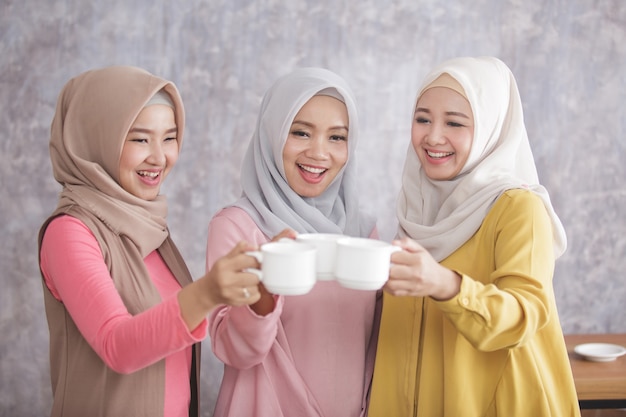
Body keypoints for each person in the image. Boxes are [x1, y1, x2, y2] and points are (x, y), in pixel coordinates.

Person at [38, 66, 262, 417]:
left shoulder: (149, 228)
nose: (159, 157)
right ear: (95, 139)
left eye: (169, 137)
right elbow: (118, 346)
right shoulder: (70, 231)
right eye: (140, 139)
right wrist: (205, 293)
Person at [368, 56, 581, 416]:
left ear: (490, 129)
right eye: (422, 119)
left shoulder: (518, 208)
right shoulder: (418, 207)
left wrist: (445, 284)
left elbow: (525, 314)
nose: (433, 137)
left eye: (455, 123)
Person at [205, 67, 379, 417]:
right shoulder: (238, 228)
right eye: (300, 132)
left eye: (336, 137)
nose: (319, 153)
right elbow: (232, 350)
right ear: (272, 135)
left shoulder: (363, 234)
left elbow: (374, 349)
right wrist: (264, 292)